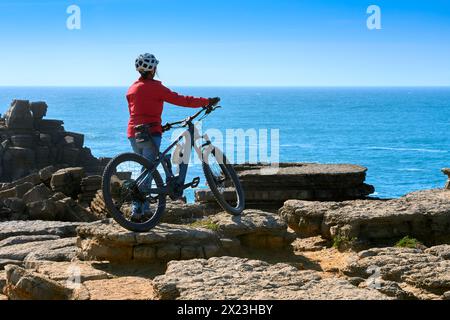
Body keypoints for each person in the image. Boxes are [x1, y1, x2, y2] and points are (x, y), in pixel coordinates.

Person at [126, 53, 219, 220]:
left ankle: (145, 210)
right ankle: (136, 210)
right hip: (150, 133)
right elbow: (182, 100)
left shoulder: (131, 89)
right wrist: (206, 101)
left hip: (133, 133)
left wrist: (159, 125)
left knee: (145, 168)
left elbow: (137, 113)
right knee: (148, 170)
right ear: (153, 69)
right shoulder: (156, 87)